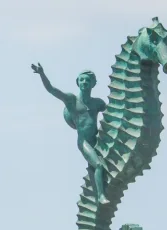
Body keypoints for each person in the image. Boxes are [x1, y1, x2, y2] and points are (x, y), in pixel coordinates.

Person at [31, 64, 109, 204]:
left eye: (88, 80)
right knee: (98, 165)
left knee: (101, 167)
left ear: (93, 84)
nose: (84, 82)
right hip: (84, 142)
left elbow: (112, 113)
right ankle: (101, 196)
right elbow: (52, 90)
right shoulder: (72, 100)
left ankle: (99, 192)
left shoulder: (97, 103)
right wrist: (42, 74)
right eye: (82, 80)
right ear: (78, 82)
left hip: (97, 140)